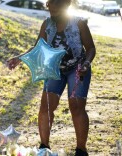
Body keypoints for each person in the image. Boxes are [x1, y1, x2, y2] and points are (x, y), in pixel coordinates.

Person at [7, 0, 96, 155]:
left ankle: (81, 149)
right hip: (54, 69)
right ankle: (44, 146)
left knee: (76, 106)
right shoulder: (47, 24)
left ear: (66, 5)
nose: (52, 13)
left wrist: (86, 64)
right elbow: (37, 48)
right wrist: (19, 58)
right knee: (46, 105)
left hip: (78, 68)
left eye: (56, 9)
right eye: (50, 9)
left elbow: (91, 48)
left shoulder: (79, 23)